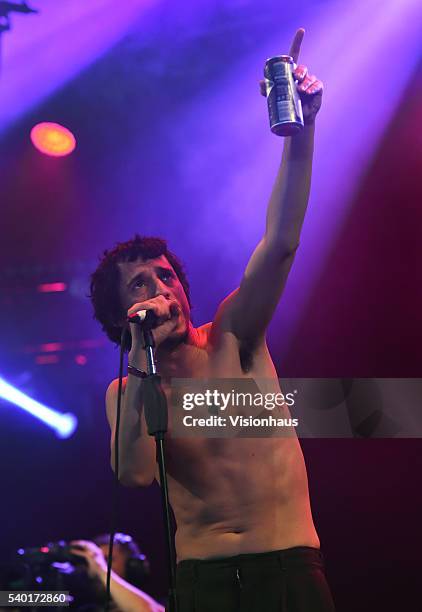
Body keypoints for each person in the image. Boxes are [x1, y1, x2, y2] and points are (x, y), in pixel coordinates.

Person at [90, 28, 335, 612]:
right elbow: (135, 476)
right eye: (141, 284)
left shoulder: (232, 336)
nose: (161, 290)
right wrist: (142, 356)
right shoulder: (128, 389)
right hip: (205, 581)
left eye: (166, 277)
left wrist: (301, 135)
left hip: (288, 568)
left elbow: (280, 243)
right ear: (122, 315)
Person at [70, 535, 164, 612]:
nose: (97, 564)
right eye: (98, 560)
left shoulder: (168, 604)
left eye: (107, 560)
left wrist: (101, 570)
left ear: (132, 567)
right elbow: (56, 600)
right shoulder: (83, 607)